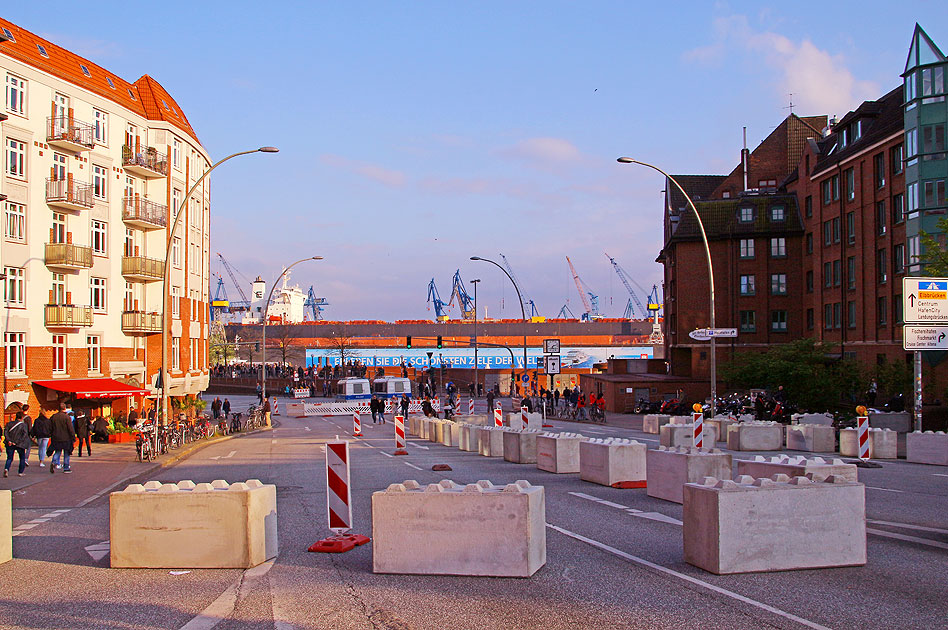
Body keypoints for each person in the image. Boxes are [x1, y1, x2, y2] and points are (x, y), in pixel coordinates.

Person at [49, 403, 75, 474]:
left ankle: (54, 462)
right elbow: (70, 428)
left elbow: (50, 427)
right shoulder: (67, 417)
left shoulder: (53, 417)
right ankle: (66, 467)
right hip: (66, 438)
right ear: (65, 408)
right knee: (66, 453)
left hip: (56, 437)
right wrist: (73, 436)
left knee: (57, 451)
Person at [3, 411, 30, 477]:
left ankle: (6, 468)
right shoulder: (23, 425)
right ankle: (20, 472)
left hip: (10, 443)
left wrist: (9, 440)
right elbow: (24, 435)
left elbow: (6, 432)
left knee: (9, 458)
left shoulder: (9, 424)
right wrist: (18, 441)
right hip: (19, 444)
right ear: (22, 417)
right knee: (22, 457)